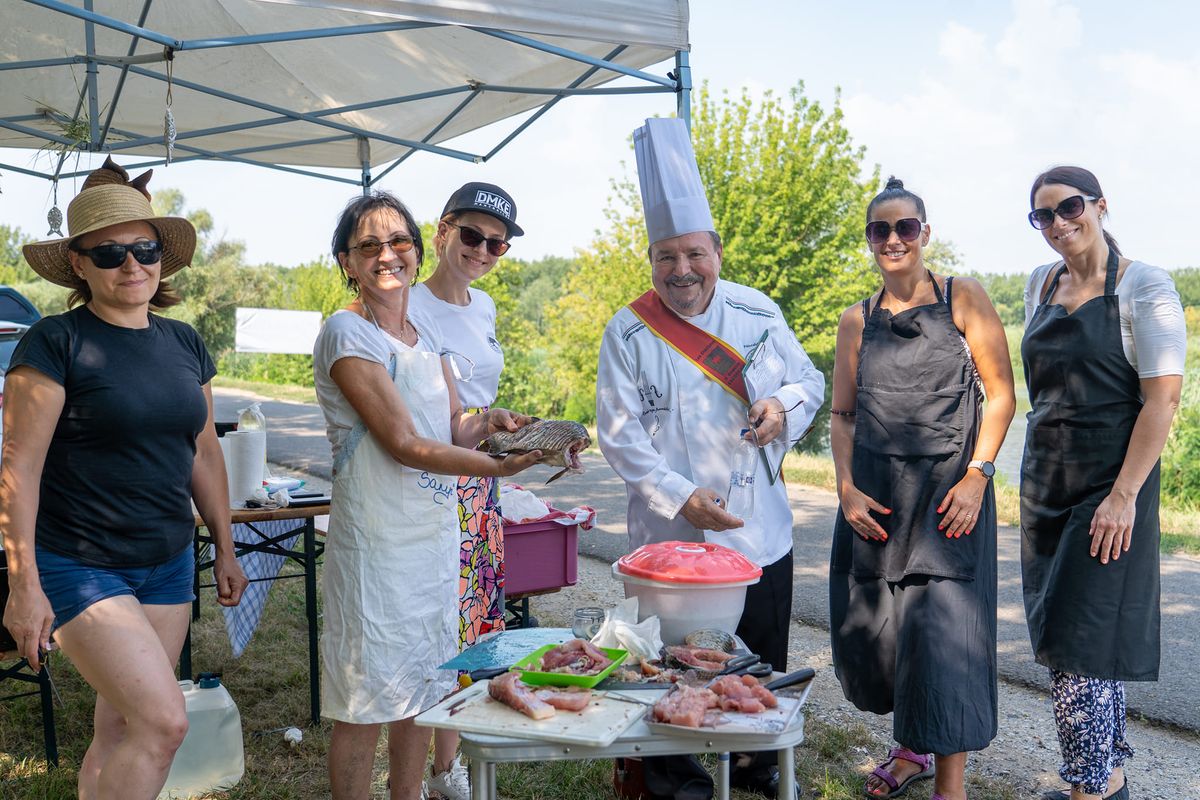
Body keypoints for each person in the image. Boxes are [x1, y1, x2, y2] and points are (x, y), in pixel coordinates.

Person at [0, 157, 249, 800]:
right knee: (164, 723)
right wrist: (23, 585)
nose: (131, 263)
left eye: (145, 247)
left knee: (118, 726)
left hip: (166, 560)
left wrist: (223, 544)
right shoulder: (53, 343)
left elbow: (204, 454)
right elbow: (17, 469)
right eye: (109, 253)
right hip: (79, 562)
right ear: (78, 265)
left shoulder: (186, 343)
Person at [596, 117, 824, 799]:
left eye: (694, 254)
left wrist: (781, 407)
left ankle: (753, 772)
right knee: (669, 671)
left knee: (752, 673)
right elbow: (618, 431)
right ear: (652, 260)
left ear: (717, 251)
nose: (682, 270)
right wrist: (677, 494)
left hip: (757, 533)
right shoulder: (629, 330)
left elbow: (809, 383)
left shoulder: (758, 314)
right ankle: (675, 783)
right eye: (666, 256)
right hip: (669, 540)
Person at [313, 190, 541, 800]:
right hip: (377, 545)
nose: (387, 255)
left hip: (432, 543)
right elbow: (405, 444)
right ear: (347, 262)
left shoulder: (424, 332)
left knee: (422, 688)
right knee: (364, 701)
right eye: (369, 246)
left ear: (417, 249)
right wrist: (500, 469)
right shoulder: (347, 332)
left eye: (398, 242)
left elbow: (451, 427)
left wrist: (490, 426)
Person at [827, 177, 1015, 800]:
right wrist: (846, 489)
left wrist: (978, 476)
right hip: (877, 498)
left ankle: (950, 788)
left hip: (947, 498)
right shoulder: (856, 320)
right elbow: (844, 415)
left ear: (925, 234)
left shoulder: (964, 298)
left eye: (905, 227)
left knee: (944, 639)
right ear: (869, 241)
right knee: (882, 634)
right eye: (880, 230)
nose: (893, 239)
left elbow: (1001, 395)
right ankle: (910, 753)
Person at [1020, 166, 1184, 800]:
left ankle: (1087, 785)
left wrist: (1124, 496)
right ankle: (1110, 765)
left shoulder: (1145, 285)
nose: (1059, 224)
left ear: (1099, 205)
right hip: (1045, 484)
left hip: (1110, 487)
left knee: (1077, 644)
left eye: (1070, 208)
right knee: (1074, 637)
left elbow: (1163, 400)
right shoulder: (1041, 283)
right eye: (1043, 216)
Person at [407, 181, 523, 800]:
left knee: (474, 625)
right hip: (426, 479)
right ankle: (416, 763)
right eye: (472, 235)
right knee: (431, 621)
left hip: (478, 480)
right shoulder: (411, 307)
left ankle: (445, 768)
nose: (482, 250)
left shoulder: (484, 308)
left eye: (496, 243)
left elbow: (472, 409)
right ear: (444, 230)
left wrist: (501, 424)